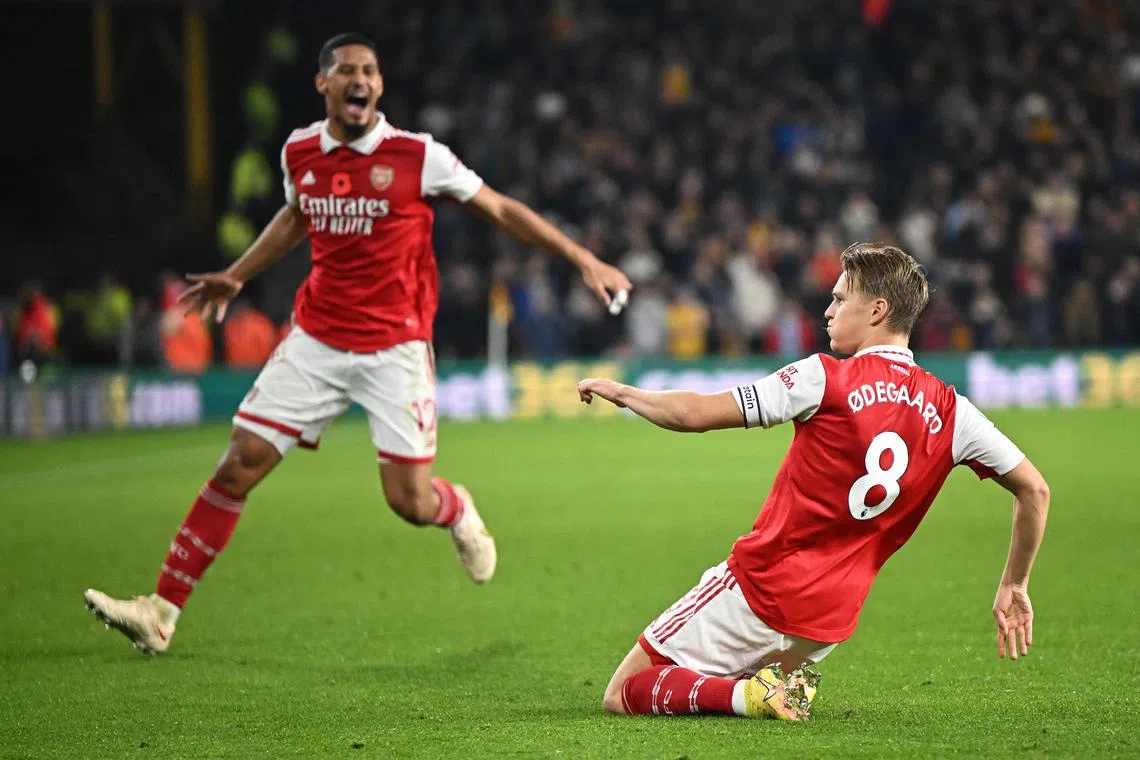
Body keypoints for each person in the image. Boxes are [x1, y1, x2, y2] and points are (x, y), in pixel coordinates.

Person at [84, 33, 631, 654]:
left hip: (395, 348)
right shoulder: (299, 151)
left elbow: (501, 210)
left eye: (370, 70)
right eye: (347, 70)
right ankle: (160, 612)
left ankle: (456, 508)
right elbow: (297, 215)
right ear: (324, 84)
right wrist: (238, 273)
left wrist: (582, 258)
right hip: (316, 339)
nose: (361, 79)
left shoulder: (417, 155)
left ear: (379, 86)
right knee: (239, 464)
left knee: (410, 502)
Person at [577, 243, 1048, 721]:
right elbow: (1035, 490)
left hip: (761, 590)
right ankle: (769, 686)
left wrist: (624, 392)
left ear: (877, 311)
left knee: (624, 691)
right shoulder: (953, 412)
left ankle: (748, 696)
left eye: (840, 299)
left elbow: (695, 414)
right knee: (720, 680)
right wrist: (1015, 582)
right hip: (828, 623)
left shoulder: (824, 378)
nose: (828, 310)